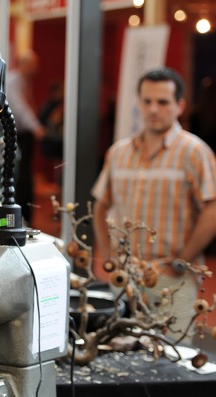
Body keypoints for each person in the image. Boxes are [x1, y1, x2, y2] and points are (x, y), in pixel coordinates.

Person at [92, 67, 216, 343]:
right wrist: (109, 256)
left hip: (172, 278)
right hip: (127, 277)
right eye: (147, 101)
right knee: (121, 356)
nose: (153, 109)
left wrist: (183, 259)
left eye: (163, 102)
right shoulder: (119, 152)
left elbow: (213, 208)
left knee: (173, 360)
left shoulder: (194, 152)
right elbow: (100, 205)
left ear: (180, 106)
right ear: (139, 103)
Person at [5, 49, 45, 225]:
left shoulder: (22, 82)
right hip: (17, 136)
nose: (35, 69)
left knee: (25, 177)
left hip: (23, 135)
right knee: (20, 178)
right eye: (32, 65)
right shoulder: (13, 82)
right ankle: (18, 218)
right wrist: (36, 127)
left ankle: (25, 218)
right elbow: (19, 109)